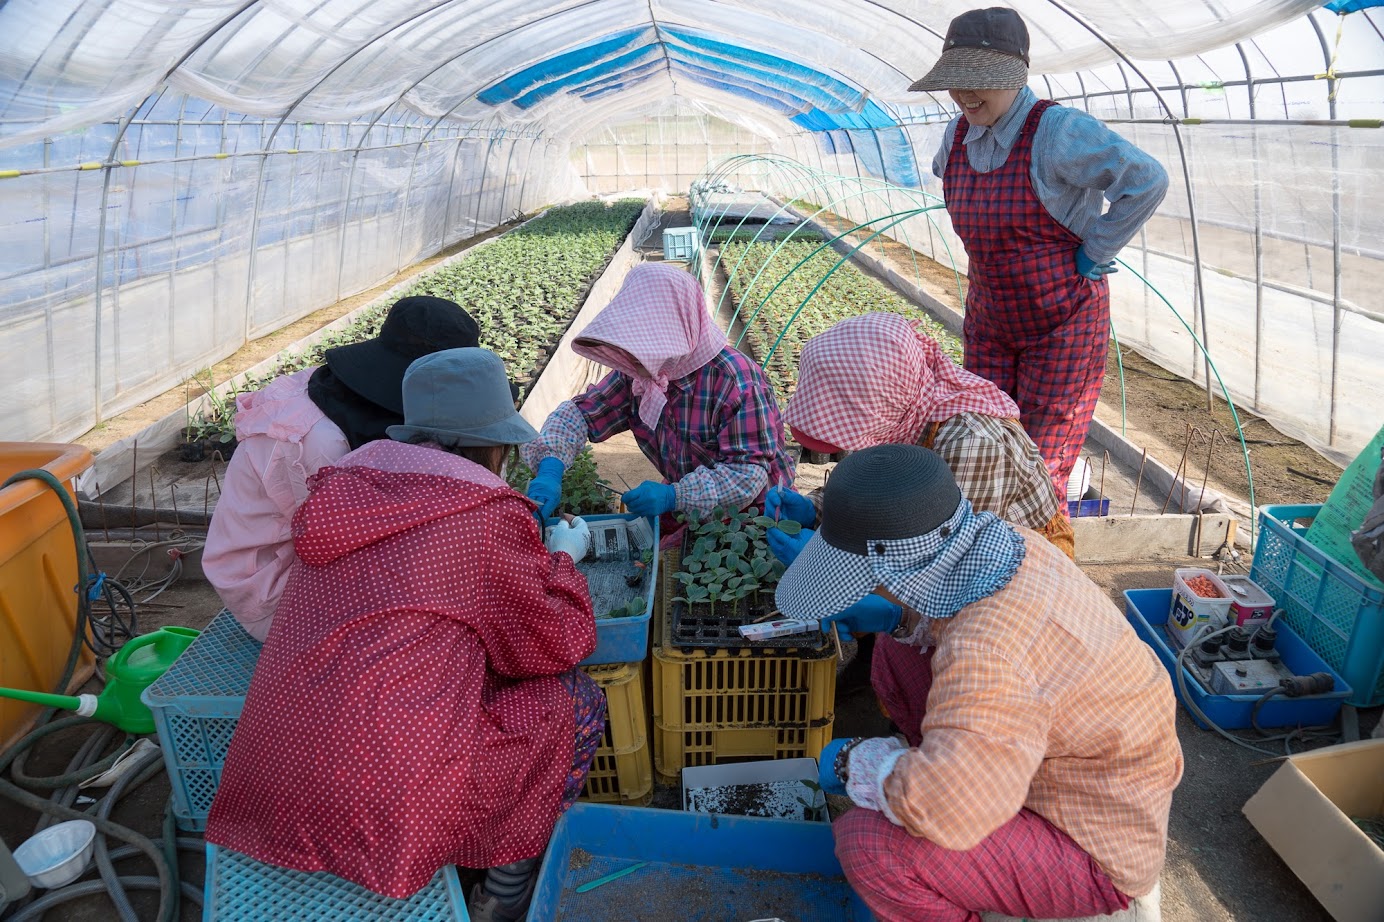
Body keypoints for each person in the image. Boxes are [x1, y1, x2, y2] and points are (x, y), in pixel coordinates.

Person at [205, 349, 605, 922]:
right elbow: (554, 643)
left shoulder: (339, 490)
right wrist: (563, 561)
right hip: (390, 799)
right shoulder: (485, 515)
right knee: (573, 702)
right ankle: (505, 888)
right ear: (495, 448)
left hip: (272, 779)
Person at [775, 445, 1181, 922]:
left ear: (893, 570)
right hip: (1086, 758)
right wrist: (896, 617)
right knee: (896, 646)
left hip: (1093, 842)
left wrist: (859, 763)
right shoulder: (1003, 541)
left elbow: (950, 809)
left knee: (866, 842)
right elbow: (939, 624)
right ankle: (957, 760)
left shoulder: (985, 652)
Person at [766, 311, 1072, 725]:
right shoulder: (901, 411)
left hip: (1007, 568)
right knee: (877, 588)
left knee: (922, 637)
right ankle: (871, 673)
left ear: (877, 409)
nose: (843, 454)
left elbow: (945, 572)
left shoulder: (970, 444)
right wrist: (817, 507)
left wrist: (824, 567)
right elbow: (876, 492)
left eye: (845, 444)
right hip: (938, 544)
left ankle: (928, 726)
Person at [913, 7, 1169, 501]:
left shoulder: (1057, 132)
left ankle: (1034, 568)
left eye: (981, 81)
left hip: (1062, 323)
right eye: (957, 81)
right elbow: (950, 178)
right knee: (979, 447)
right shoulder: (957, 135)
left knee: (1039, 464)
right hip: (990, 320)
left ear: (1016, 76)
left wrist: (1095, 250)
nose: (966, 95)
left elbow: (1147, 180)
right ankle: (975, 562)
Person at [202, 296, 481, 641]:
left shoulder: (343, 392)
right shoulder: (319, 443)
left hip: (305, 557)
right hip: (268, 584)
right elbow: (335, 539)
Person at [522, 262, 794, 528]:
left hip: (753, 509)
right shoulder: (638, 374)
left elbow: (746, 475)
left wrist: (674, 496)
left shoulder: (736, 382)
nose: (632, 355)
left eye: (644, 343)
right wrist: (550, 467)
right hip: (690, 498)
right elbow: (581, 414)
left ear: (676, 332)